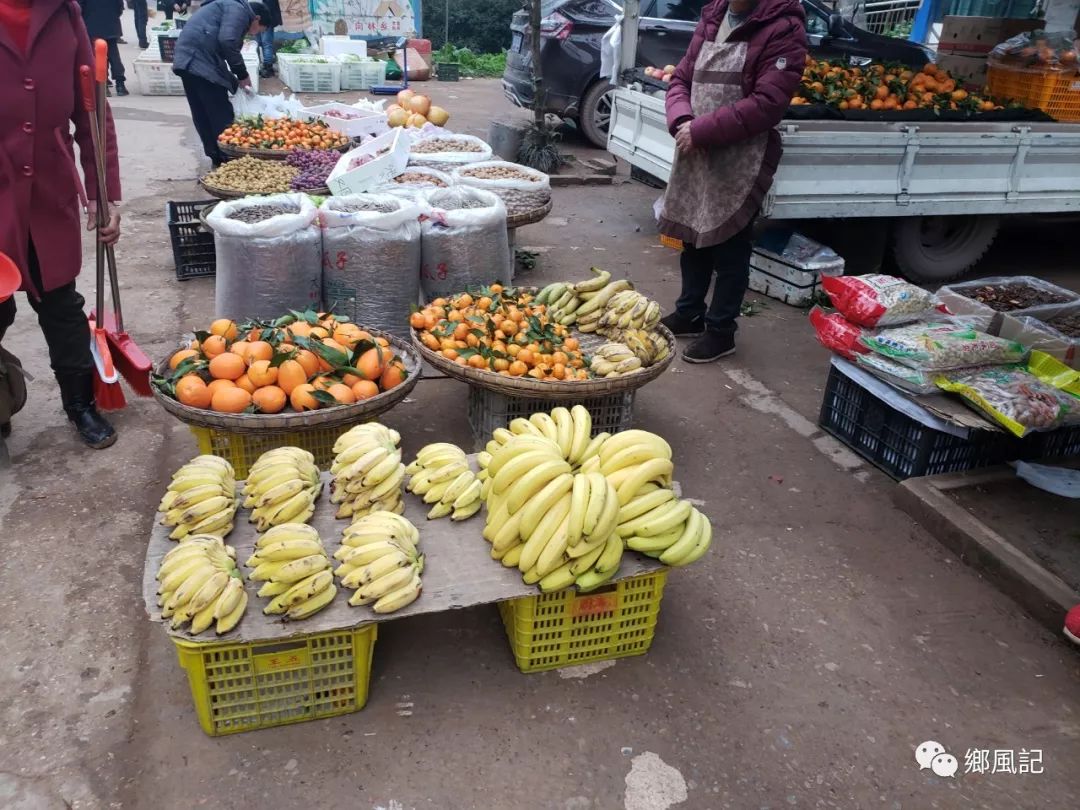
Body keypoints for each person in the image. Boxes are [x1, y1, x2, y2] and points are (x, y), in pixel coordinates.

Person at [0, 0, 123, 448]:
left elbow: (93, 114)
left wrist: (102, 194)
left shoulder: (63, 13)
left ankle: (80, 405)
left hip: (50, 192)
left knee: (61, 305)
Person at [658, 0, 806, 362]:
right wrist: (681, 120)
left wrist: (703, 129)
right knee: (692, 233)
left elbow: (769, 102)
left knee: (730, 244)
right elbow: (681, 79)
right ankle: (690, 311)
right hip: (695, 147)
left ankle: (721, 330)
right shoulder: (713, 15)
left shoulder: (784, 27)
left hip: (741, 155)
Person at [172, 0, 270, 166]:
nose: (255, 34)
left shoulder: (230, 7)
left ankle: (216, 156)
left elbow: (222, 45)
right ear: (257, 18)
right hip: (198, 58)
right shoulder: (239, 10)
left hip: (186, 57)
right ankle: (228, 156)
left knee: (201, 110)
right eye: (260, 29)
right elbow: (227, 41)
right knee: (220, 111)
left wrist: (233, 81)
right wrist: (242, 75)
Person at [80, 0, 129, 95]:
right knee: (114, 56)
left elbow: (80, 8)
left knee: (99, 57)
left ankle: (104, 86)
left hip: (92, 25)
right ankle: (120, 85)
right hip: (111, 24)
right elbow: (119, 6)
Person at [255, 0, 281, 79]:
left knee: (265, 43)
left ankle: (268, 67)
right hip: (256, 17)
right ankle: (264, 66)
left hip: (265, 18)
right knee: (260, 43)